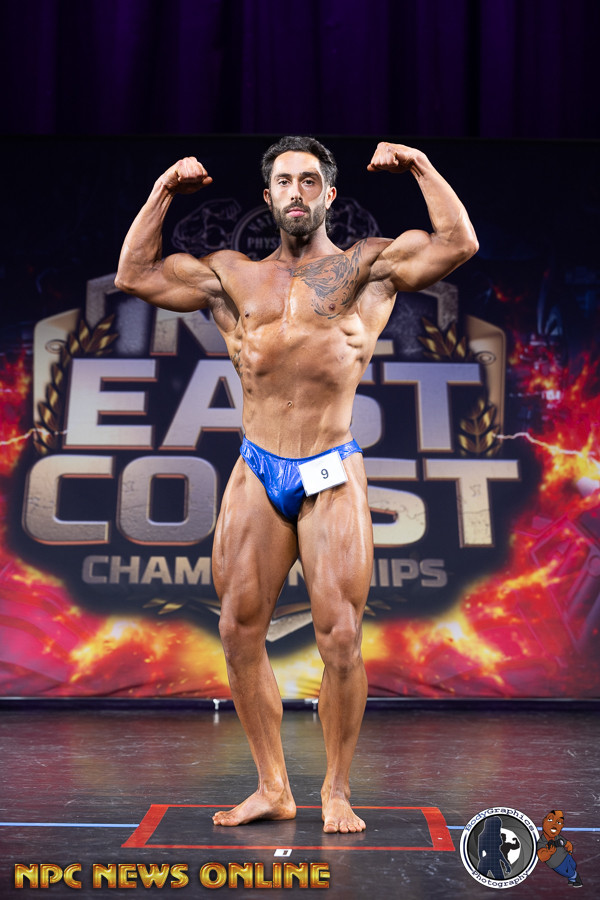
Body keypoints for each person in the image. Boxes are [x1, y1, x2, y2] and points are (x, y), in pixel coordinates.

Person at [115, 136, 478, 833]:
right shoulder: (231, 276)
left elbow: (458, 243)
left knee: (339, 636)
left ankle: (335, 790)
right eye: (284, 181)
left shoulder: (367, 267)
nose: (297, 192)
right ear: (268, 196)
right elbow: (133, 274)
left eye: (310, 181)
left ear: (329, 195)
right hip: (258, 466)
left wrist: (420, 165)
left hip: (329, 466)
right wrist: (163, 189)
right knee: (237, 630)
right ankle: (273, 787)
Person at [537, 810, 583, 887]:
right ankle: (576, 877)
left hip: (566, 856)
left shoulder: (558, 837)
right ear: (544, 821)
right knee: (569, 873)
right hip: (556, 864)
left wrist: (569, 851)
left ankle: (572, 880)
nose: (554, 824)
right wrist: (549, 852)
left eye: (558, 822)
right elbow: (541, 856)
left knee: (573, 865)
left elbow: (567, 844)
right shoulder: (542, 842)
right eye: (550, 819)